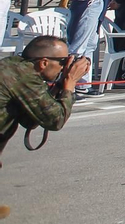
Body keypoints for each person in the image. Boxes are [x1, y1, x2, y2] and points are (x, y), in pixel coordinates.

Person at [0, 35, 90, 171]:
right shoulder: (25, 76)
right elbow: (55, 120)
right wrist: (70, 83)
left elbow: (31, 119)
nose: (64, 67)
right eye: (63, 62)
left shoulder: (14, 67)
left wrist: (59, 85)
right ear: (44, 63)